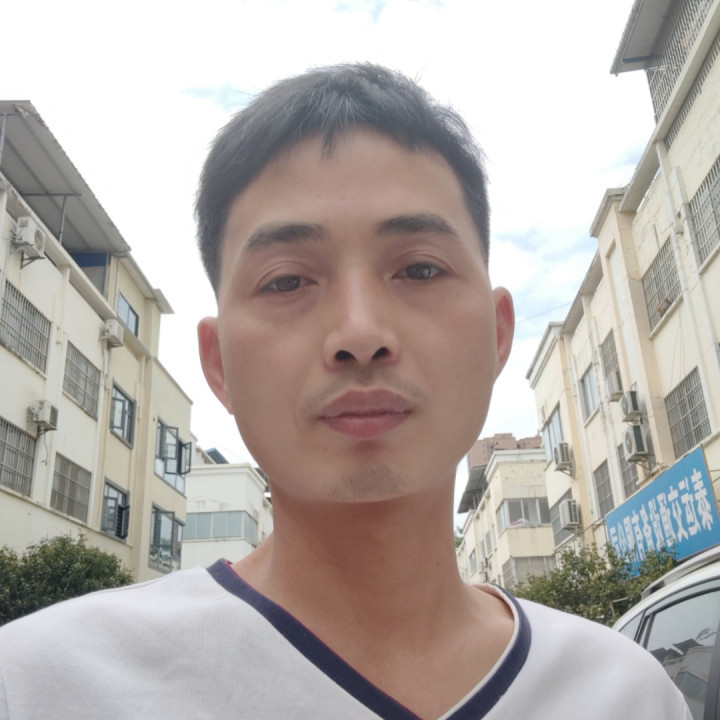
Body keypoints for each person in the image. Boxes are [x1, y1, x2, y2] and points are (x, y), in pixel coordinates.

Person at [0, 64, 691, 720]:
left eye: (420, 270)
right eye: (286, 281)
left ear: (498, 334)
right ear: (218, 364)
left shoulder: (625, 695)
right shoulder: (43, 686)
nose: (360, 333)